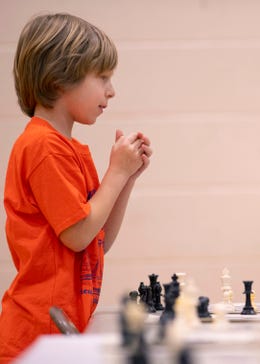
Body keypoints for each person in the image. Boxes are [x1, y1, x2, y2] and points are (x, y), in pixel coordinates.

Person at [0, 13, 153, 362]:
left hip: (61, 328)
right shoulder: (42, 146)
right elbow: (77, 235)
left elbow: (98, 240)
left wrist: (126, 178)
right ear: (59, 79)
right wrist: (115, 173)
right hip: (37, 333)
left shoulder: (68, 149)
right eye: (102, 77)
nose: (111, 91)